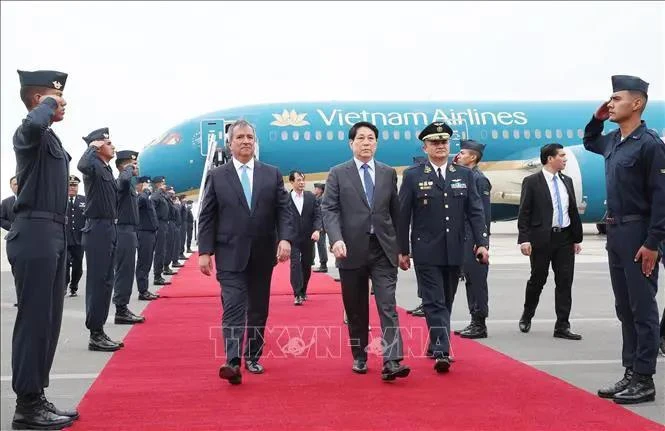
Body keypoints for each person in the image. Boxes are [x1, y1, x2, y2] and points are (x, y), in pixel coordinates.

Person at [585, 75, 664, 404]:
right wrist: (596, 118)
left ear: (637, 103)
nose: (611, 103)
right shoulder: (614, 141)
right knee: (624, 307)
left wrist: (653, 242)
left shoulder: (650, 144)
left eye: (616, 98)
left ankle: (644, 378)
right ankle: (630, 371)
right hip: (616, 232)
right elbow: (591, 141)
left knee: (642, 306)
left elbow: (662, 197)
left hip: (638, 232)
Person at [198, 119, 295, 385]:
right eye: (239, 137)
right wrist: (204, 251)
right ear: (230, 144)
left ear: (255, 142)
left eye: (250, 137)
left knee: (258, 309)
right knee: (232, 307)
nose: (245, 141)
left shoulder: (271, 173)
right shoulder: (217, 176)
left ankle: (252, 356)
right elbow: (207, 216)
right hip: (229, 253)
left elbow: (283, 210)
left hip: (263, 253)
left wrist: (285, 239)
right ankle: (232, 361)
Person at [7, 69, 78, 429]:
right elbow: (31, 126)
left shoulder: (48, 138)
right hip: (34, 232)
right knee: (34, 320)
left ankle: (37, 395)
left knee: (47, 323)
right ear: (40, 100)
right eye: (57, 98)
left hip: (52, 232)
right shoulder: (30, 133)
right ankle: (27, 407)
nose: (64, 103)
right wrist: (48, 103)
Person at [321, 121, 410, 381]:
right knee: (356, 307)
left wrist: (402, 249)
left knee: (387, 305)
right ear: (351, 143)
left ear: (377, 143)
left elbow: (396, 212)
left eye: (371, 138)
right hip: (350, 250)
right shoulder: (338, 173)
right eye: (361, 138)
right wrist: (336, 239)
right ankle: (359, 355)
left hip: (383, 249)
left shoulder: (387, 172)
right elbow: (329, 209)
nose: (366, 143)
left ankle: (392, 360)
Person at [397, 122, 489, 373]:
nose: (440, 146)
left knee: (446, 300)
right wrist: (402, 250)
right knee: (434, 300)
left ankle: (435, 342)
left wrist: (482, 243)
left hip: (455, 248)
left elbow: (475, 211)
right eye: (434, 143)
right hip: (426, 249)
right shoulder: (413, 175)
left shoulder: (464, 174)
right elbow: (403, 215)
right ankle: (442, 351)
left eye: (444, 142)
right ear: (425, 147)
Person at [517, 143, 583, 340]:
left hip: (564, 238)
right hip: (542, 239)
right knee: (538, 279)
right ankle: (527, 315)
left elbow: (571, 210)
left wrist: (575, 238)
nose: (565, 158)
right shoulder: (532, 181)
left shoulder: (567, 181)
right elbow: (524, 213)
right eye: (561, 155)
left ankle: (562, 325)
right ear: (549, 159)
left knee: (565, 281)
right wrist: (524, 239)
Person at [78, 127, 124, 352]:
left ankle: (100, 330)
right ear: (97, 146)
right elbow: (82, 166)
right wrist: (90, 148)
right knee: (98, 282)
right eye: (108, 143)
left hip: (109, 228)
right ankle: (95, 333)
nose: (113, 146)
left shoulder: (106, 169)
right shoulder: (93, 165)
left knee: (107, 282)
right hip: (97, 228)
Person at [453, 140, 492, 339]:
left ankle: (480, 324)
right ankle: (474, 321)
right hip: (465, 237)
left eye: (462, 153)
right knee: (469, 280)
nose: (457, 156)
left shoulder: (479, 179)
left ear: (473, 157)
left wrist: (481, 242)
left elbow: (483, 214)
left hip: (476, 241)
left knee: (477, 282)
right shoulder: (465, 177)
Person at [112, 150, 145, 324]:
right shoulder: (123, 182)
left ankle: (122, 307)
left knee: (127, 271)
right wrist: (127, 169)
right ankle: (121, 310)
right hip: (123, 231)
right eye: (133, 164)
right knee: (124, 272)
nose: (136, 167)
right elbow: (123, 179)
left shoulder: (129, 186)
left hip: (130, 230)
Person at [288, 170, 322, 305]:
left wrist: (317, 230)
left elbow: (317, 215)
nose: (301, 183)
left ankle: (303, 290)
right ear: (291, 182)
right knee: (295, 264)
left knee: (307, 264)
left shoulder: (310, 197)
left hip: (309, 237)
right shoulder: (285, 199)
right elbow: (281, 218)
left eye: (303, 180)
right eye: (298, 180)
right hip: (293, 237)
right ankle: (297, 293)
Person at [135, 176, 160, 300]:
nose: (148, 187)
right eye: (145, 184)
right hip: (143, 233)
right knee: (143, 262)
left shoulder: (146, 197)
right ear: (138, 185)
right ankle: (142, 290)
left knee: (148, 261)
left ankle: (145, 289)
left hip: (150, 233)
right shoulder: (139, 196)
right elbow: (139, 203)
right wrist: (144, 191)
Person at [65, 175, 86, 297]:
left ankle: (74, 286)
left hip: (79, 239)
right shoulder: (61, 200)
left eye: (74, 185)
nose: (72, 188)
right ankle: (63, 285)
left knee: (78, 266)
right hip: (65, 239)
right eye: (70, 185)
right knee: (65, 263)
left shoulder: (84, 200)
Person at [150, 176, 171, 285]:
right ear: (158, 184)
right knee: (159, 251)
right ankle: (157, 276)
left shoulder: (161, 195)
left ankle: (159, 273)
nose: (164, 184)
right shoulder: (155, 195)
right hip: (159, 224)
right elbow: (152, 209)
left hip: (164, 224)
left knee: (162, 250)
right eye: (162, 183)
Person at [312, 182, 329, 273]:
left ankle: (323, 265)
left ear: (320, 190)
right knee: (320, 245)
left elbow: (321, 214)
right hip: (320, 226)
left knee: (321, 245)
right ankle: (322, 264)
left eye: (316, 188)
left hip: (321, 226)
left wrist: (320, 226)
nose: (315, 190)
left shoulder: (321, 199)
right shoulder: (317, 198)